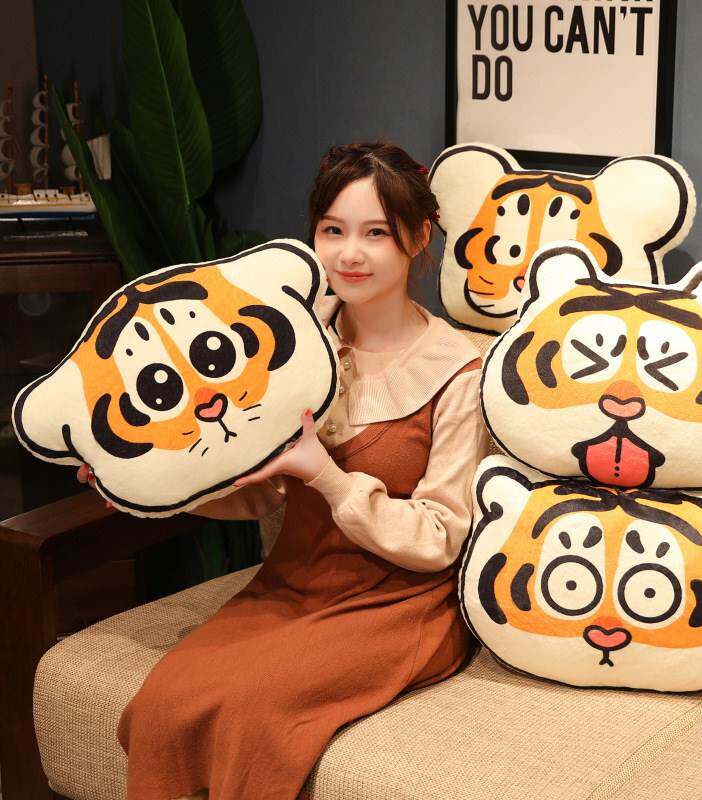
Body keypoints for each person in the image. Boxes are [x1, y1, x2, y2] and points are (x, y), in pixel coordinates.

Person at [78, 140, 489, 800]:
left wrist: (327, 475)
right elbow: (258, 494)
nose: (349, 254)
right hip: (294, 583)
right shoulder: (289, 342)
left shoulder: (458, 369)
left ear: (418, 238)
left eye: (376, 233)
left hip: (398, 601)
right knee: (164, 705)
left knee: (254, 719)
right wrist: (145, 487)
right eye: (332, 230)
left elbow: (442, 536)